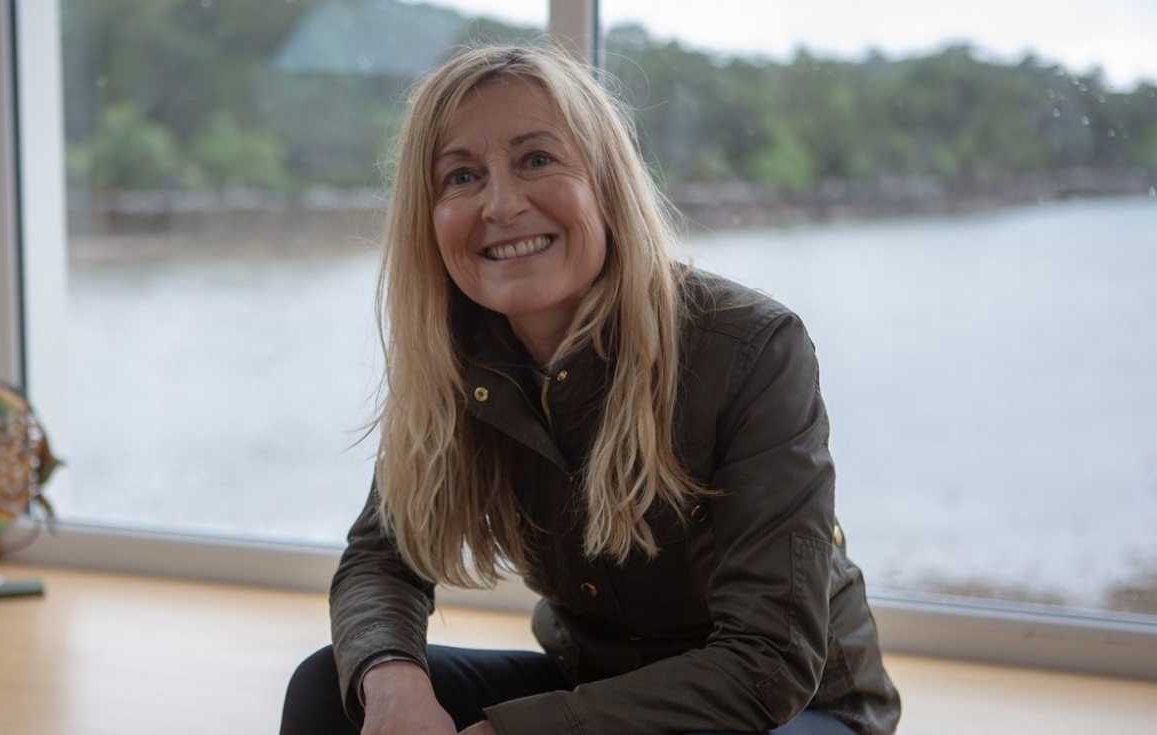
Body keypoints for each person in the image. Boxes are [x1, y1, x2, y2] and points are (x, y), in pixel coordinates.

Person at [281, 45, 902, 735]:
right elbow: (380, 558)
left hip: (792, 709)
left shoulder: (751, 347)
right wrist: (394, 687)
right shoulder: (456, 353)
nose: (501, 204)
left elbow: (767, 662)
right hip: (600, 684)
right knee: (330, 689)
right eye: (461, 175)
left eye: (536, 159)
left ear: (605, 182)